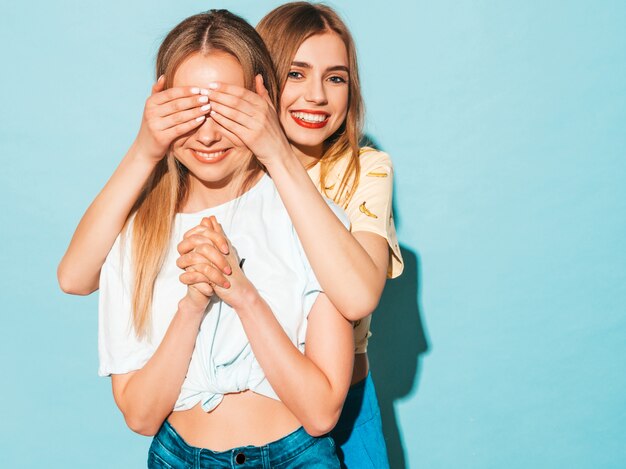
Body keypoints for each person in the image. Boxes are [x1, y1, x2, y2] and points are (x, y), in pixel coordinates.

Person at [57, 2, 404, 467]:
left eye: (226, 108)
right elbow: (75, 280)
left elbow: (330, 382)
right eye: (187, 109)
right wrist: (145, 148)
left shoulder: (322, 213)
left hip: (309, 435)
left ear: (259, 99)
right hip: (178, 453)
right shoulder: (137, 228)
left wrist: (240, 292)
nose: (206, 133)